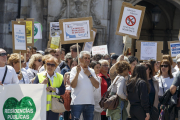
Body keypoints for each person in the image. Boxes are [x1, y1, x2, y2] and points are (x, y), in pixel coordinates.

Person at [70, 51, 99, 120]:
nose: (87, 60)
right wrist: (77, 73)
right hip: (77, 103)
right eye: (85, 58)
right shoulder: (74, 70)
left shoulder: (91, 71)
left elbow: (97, 85)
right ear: (80, 59)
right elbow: (73, 85)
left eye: (89, 58)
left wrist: (89, 75)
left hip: (90, 103)